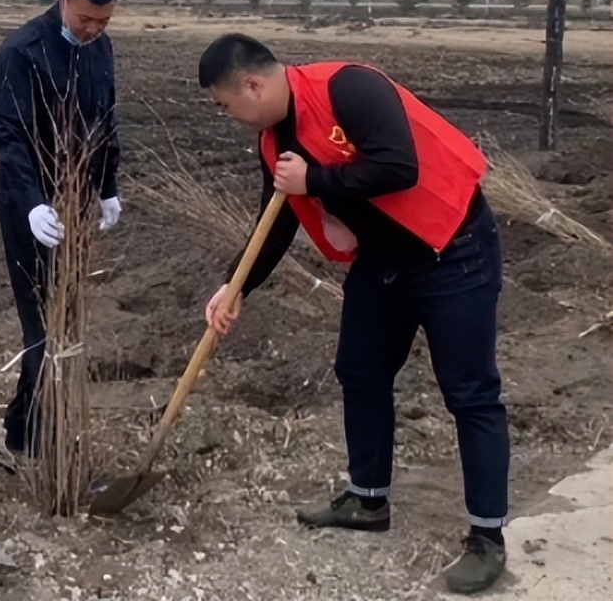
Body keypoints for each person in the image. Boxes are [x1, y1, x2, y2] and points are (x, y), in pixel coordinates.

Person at [197, 32, 509, 595]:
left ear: (251, 83)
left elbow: (399, 165)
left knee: (470, 393)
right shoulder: (274, 142)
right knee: (360, 373)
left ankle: (487, 537)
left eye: (225, 105)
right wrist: (236, 283)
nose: (227, 116)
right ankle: (368, 500)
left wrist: (313, 179)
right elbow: (280, 218)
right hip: (381, 263)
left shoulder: (349, 86)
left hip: (453, 251)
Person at [0, 0, 122, 457]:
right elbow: (12, 138)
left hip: (76, 204)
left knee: (65, 321)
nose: (93, 30)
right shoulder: (22, 52)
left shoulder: (100, 48)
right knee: (42, 328)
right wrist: (30, 205)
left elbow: (104, 122)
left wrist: (105, 187)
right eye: (86, 19)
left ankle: (39, 429)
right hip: (32, 206)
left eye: (104, 22)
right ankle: (30, 441)